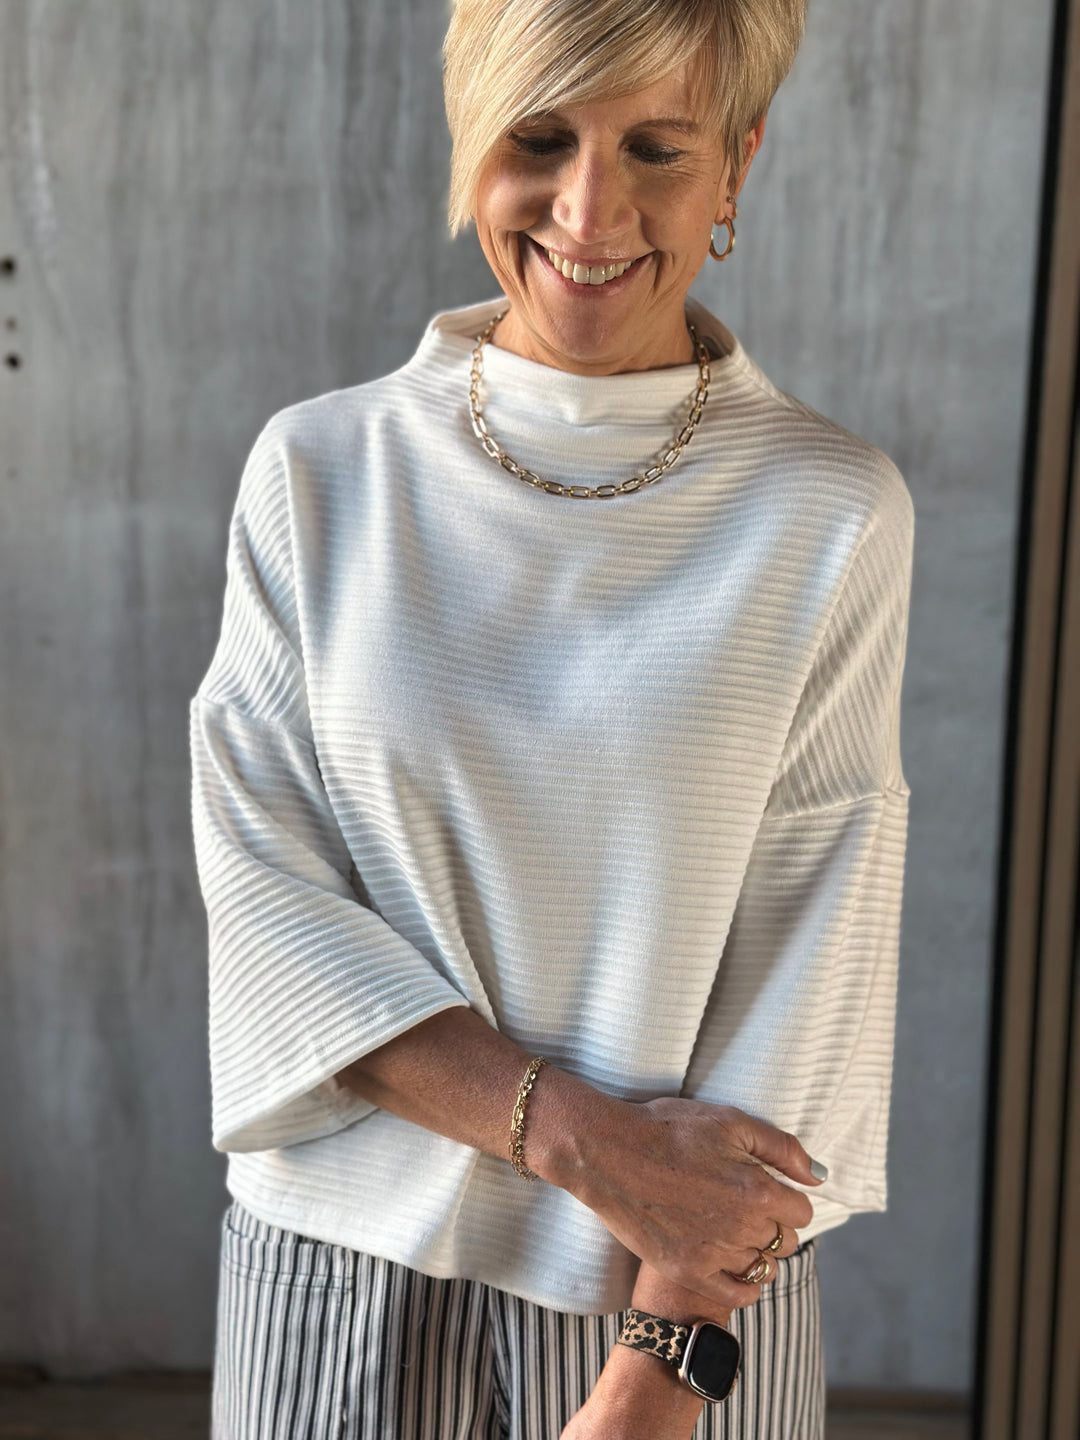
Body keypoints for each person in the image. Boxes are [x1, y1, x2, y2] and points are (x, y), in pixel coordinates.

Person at [190, 1, 915, 1436]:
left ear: (738, 169)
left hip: (684, 1304)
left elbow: (813, 971)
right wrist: (579, 1140)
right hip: (338, 1273)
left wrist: (662, 1367)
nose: (592, 210)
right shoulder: (321, 472)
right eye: (540, 138)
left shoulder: (830, 513)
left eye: (656, 146)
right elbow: (268, 906)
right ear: (474, 147)